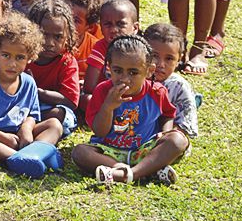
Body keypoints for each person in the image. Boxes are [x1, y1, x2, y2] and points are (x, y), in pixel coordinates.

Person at [71, 33, 188, 187]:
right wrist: (108, 107)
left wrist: (165, 133)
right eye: (118, 71)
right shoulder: (102, 91)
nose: (125, 78)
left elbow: (167, 115)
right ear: (109, 68)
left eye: (133, 73)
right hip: (110, 151)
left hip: (145, 149)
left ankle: (129, 174)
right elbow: (100, 132)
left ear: (149, 71)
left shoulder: (157, 92)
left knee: (178, 140)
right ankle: (143, 170)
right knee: (80, 152)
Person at [0, 12, 65, 178]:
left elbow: (32, 114)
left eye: (20, 57)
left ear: (30, 58)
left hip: (17, 135)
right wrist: (1, 136)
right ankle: (17, 159)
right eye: (6, 55)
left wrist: (26, 129)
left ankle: (34, 154)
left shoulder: (28, 82)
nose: (12, 64)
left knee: (54, 124)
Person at [25, 0, 82, 137]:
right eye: (43, 35)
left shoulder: (67, 62)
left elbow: (70, 101)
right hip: (22, 107)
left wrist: (37, 92)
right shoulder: (22, 56)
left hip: (49, 108)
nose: (50, 43)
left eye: (57, 37)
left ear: (67, 36)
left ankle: (30, 128)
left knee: (62, 115)